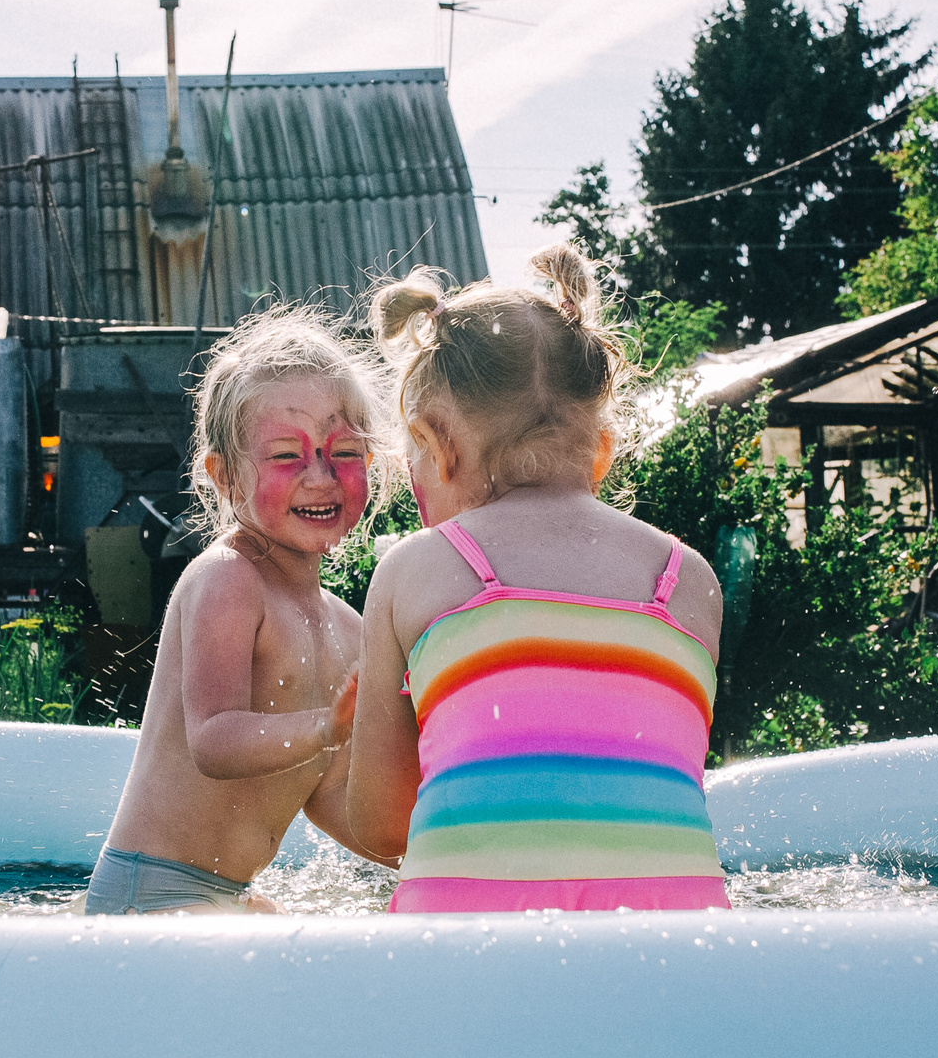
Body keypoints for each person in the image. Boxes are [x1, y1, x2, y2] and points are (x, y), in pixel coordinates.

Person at [348, 246, 731, 913]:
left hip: (465, 962)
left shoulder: (414, 571)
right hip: (676, 965)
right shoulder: (689, 580)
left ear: (436, 446)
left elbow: (381, 827)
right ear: (602, 450)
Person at [85, 311, 389, 914]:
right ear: (223, 476)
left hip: (222, 897)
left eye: (345, 452)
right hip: (150, 892)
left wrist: (433, 852)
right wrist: (325, 727)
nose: (321, 477)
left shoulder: (348, 627)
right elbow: (215, 740)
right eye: (286, 455)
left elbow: (327, 796)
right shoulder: (229, 580)